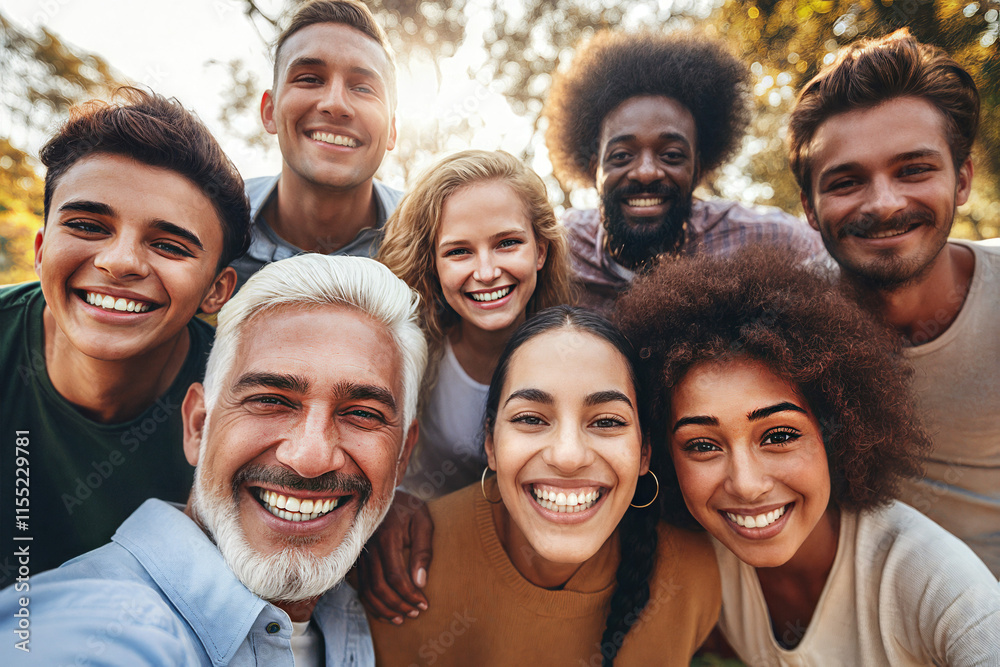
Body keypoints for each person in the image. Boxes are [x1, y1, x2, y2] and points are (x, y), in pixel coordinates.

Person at [0, 254, 427, 666]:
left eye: (362, 414)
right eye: (271, 401)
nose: (311, 457)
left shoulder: (350, 611)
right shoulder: (102, 624)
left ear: (402, 456)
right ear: (198, 427)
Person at [616, 247, 1000, 665]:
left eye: (779, 435)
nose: (745, 484)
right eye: (703, 445)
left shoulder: (943, 586)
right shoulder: (697, 563)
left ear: (837, 432)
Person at [368, 306, 721, 666]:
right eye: (531, 418)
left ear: (645, 450)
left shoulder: (694, 575)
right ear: (490, 442)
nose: (568, 456)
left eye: (607, 422)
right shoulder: (398, 569)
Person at [0, 87, 250, 576]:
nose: (119, 263)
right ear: (40, 248)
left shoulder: (242, 399)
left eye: (169, 245)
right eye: (88, 225)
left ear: (216, 292)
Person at [788, 29, 1000, 576]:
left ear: (962, 180)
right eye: (846, 181)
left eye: (913, 170)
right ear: (811, 210)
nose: (884, 204)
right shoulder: (784, 325)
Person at [358, 150, 577, 623]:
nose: (485, 271)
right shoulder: (410, 356)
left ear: (540, 249)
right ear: (433, 263)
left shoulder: (578, 357)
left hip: (539, 572)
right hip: (422, 569)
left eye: (507, 244)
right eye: (459, 251)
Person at [542, 29, 824, 314]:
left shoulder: (768, 239)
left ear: (697, 169)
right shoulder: (560, 249)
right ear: (595, 170)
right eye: (622, 155)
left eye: (671, 155)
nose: (646, 172)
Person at [231, 0, 402, 290]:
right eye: (309, 79)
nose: (335, 104)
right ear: (269, 112)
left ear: (392, 131)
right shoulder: (212, 227)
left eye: (363, 88)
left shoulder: (438, 239)